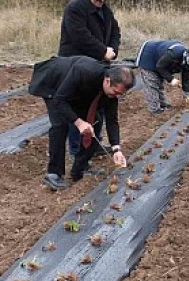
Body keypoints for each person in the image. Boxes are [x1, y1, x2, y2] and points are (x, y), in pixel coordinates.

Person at [28, 55, 133, 190]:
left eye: (121, 94)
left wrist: (116, 149)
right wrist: (79, 122)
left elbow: (112, 119)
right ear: (107, 81)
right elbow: (60, 101)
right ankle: (54, 173)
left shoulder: (112, 90)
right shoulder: (84, 72)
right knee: (60, 125)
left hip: (77, 91)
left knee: (95, 121)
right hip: (53, 84)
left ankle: (80, 169)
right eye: (116, 92)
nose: (117, 96)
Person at [57, 0, 121, 157]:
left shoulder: (105, 11)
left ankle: (93, 145)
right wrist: (102, 51)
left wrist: (112, 50)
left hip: (98, 66)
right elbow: (80, 37)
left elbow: (116, 31)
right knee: (79, 109)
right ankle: (78, 152)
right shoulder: (75, 8)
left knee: (98, 107)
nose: (102, 0)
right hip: (75, 66)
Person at [135, 39, 189, 113]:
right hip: (148, 55)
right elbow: (160, 66)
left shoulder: (186, 62)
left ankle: (163, 105)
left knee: (159, 83)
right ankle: (155, 109)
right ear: (188, 60)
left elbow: (186, 79)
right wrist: (171, 79)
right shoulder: (174, 54)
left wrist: (187, 95)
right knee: (152, 83)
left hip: (160, 60)